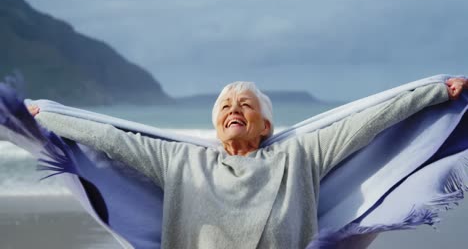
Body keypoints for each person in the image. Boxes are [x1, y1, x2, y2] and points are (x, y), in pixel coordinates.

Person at [28, 77, 467, 248]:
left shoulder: (301, 155)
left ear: (265, 125)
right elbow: (111, 138)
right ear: (218, 125)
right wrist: (41, 117)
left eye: (245, 104)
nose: (233, 109)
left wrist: (436, 93)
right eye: (225, 106)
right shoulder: (179, 159)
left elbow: (367, 122)